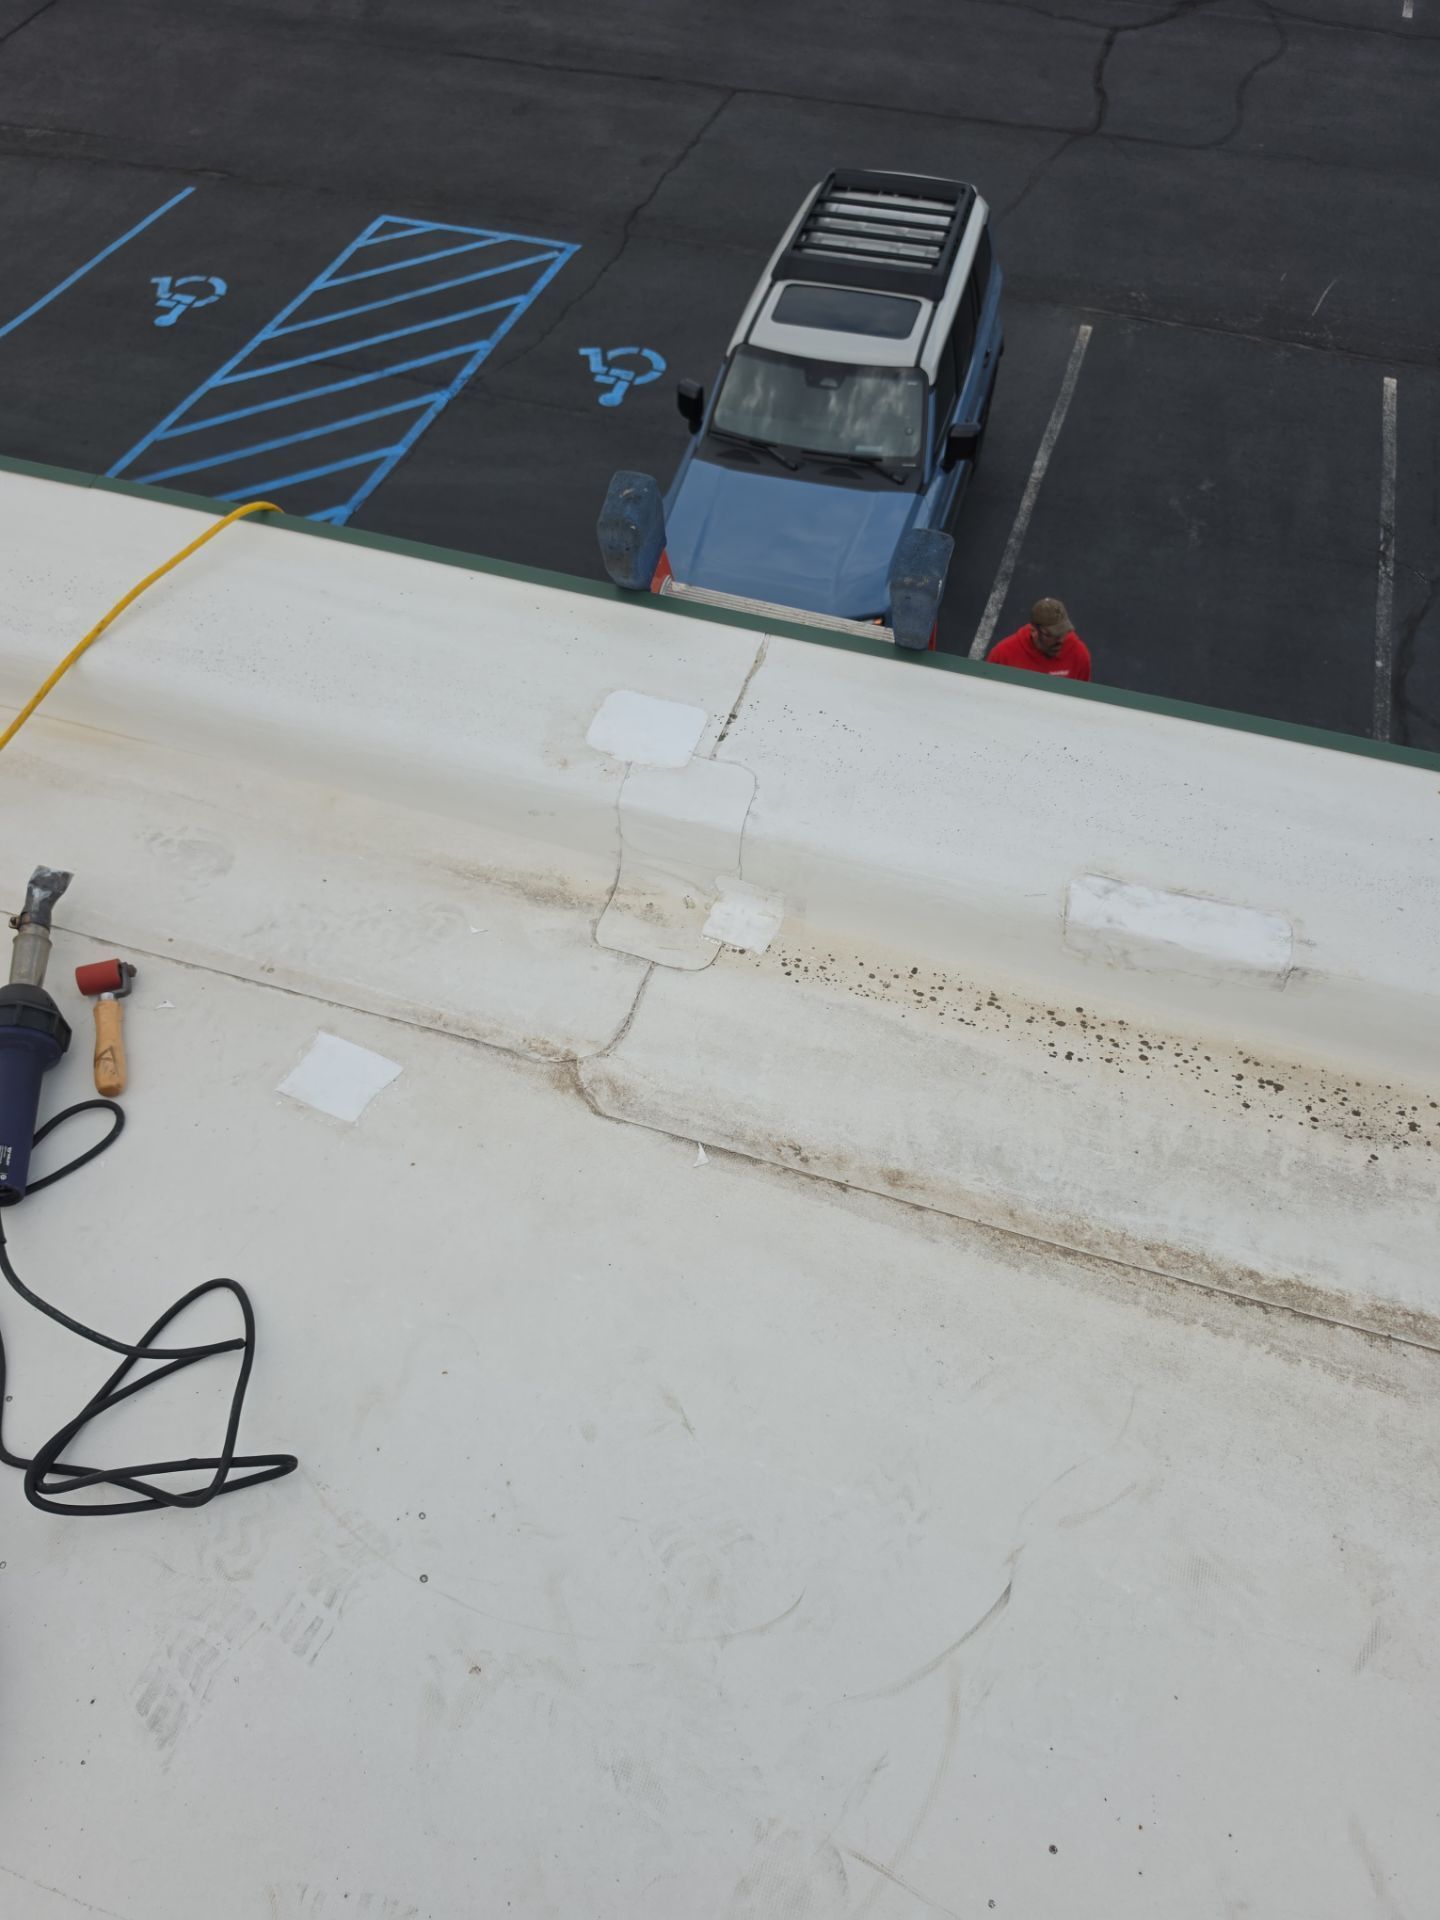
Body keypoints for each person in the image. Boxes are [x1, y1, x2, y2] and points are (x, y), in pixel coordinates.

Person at [987, 598, 1091, 680]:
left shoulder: (1079, 655)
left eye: (1063, 632)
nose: (1061, 640)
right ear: (1034, 631)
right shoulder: (1003, 655)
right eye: (1051, 634)